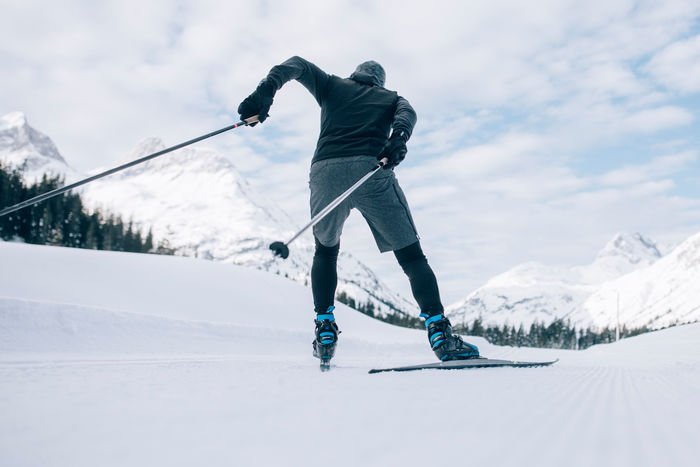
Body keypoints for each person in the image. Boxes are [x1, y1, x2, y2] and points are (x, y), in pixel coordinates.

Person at [237, 56, 479, 363]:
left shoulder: (330, 84)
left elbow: (296, 64)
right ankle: (439, 334)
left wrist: (265, 91)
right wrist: (398, 138)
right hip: (371, 170)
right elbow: (408, 114)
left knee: (325, 251)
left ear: (356, 75)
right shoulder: (392, 98)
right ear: (380, 82)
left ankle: (325, 328)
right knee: (412, 256)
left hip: (325, 173)